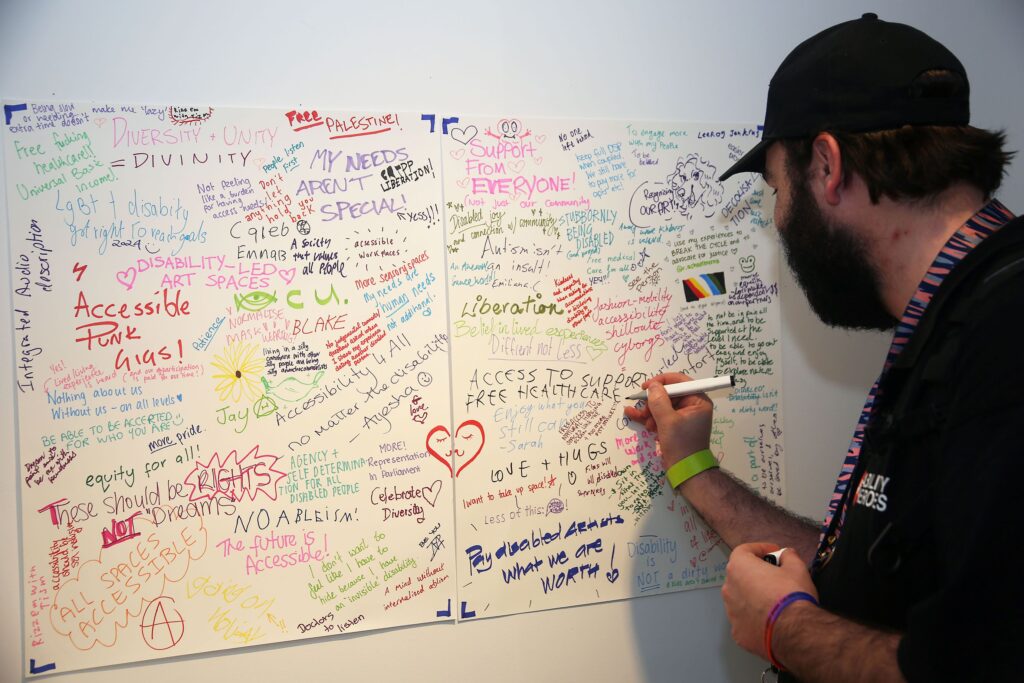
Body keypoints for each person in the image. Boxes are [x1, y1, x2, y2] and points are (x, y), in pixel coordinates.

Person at [625, 13, 1023, 683]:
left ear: (828, 166)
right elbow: (868, 574)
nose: (780, 221)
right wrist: (695, 468)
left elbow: (976, 666)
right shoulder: (958, 315)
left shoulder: (1003, 338)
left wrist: (786, 630)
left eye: (778, 191)